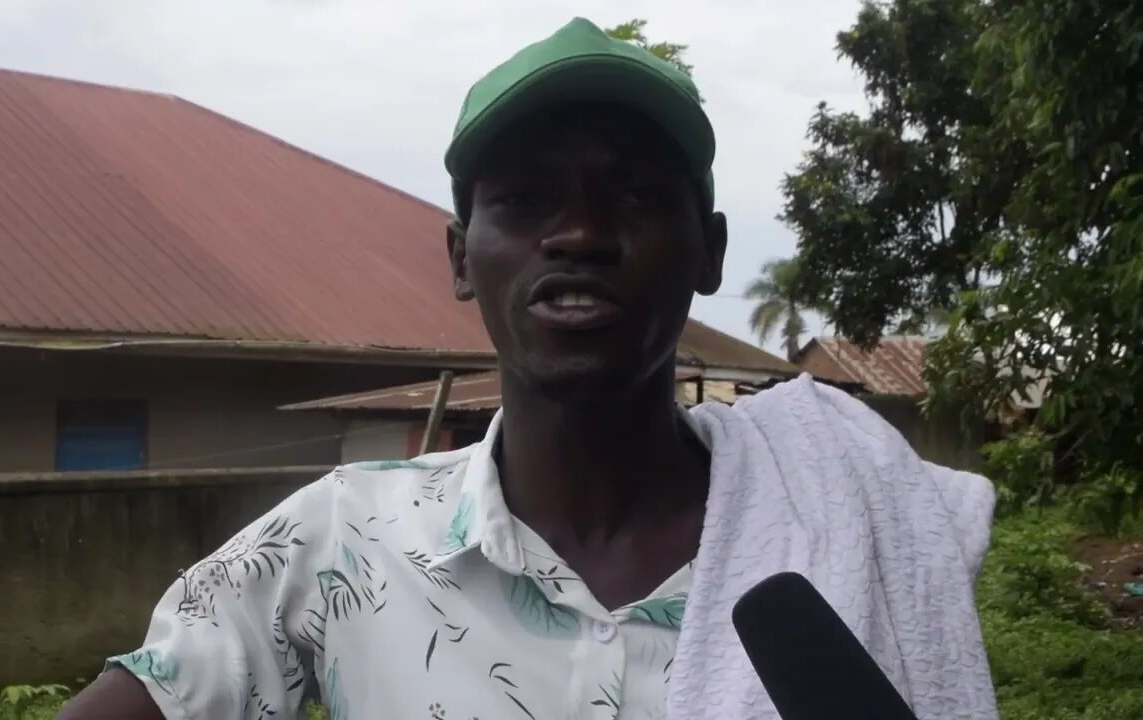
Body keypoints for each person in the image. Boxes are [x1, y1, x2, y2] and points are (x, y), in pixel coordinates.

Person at [59, 17, 997, 720]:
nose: (581, 233)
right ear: (463, 257)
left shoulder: (837, 520)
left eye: (633, 194)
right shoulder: (342, 540)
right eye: (525, 198)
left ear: (709, 252)